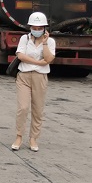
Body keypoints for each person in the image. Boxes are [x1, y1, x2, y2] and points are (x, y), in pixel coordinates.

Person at [12, 11, 55, 153]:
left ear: (44, 28)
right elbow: (21, 55)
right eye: (34, 28)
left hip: (40, 77)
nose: (36, 30)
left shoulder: (50, 41)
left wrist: (44, 43)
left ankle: (33, 138)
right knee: (23, 107)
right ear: (30, 27)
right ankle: (19, 136)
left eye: (39, 28)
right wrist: (38, 62)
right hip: (24, 75)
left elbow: (49, 59)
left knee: (38, 109)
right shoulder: (24, 39)